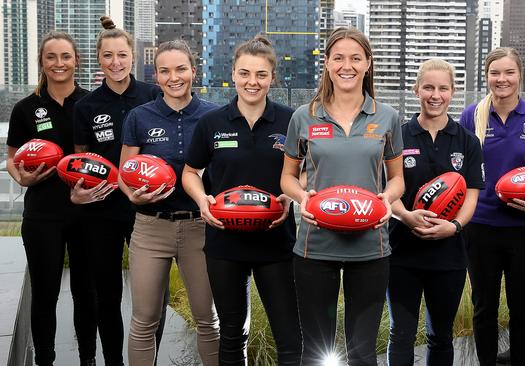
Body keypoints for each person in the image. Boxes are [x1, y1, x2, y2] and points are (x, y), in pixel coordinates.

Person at [280, 26, 404, 366]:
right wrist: (304, 198)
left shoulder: (387, 117)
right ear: (327, 64)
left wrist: (385, 201)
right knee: (315, 351)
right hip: (315, 245)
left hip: (371, 245)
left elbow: (397, 181)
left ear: (367, 64)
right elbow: (287, 178)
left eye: (355, 58)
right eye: (338, 58)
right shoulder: (304, 116)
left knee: (363, 353)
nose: (346, 65)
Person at [182, 35, 302, 365]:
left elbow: (308, 171)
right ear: (233, 74)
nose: (253, 82)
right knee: (232, 335)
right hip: (225, 242)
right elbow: (190, 171)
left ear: (272, 78)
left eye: (261, 74)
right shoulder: (211, 123)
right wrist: (202, 200)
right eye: (245, 73)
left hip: (276, 242)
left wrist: (290, 197)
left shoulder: (291, 121)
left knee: (290, 337)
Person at [458, 47, 525, 366]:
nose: (501, 79)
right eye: (495, 73)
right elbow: (459, 173)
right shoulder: (471, 115)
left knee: (523, 308)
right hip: (480, 227)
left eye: (509, 72)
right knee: (484, 307)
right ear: (486, 76)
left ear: (520, 75)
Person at [118, 39, 219, 366]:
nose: (173, 77)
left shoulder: (213, 116)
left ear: (193, 70)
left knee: (208, 320)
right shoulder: (139, 117)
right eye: (164, 71)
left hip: (200, 228)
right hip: (149, 228)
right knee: (144, 321)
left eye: (180, 69)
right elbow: (123, 173)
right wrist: (131, 194)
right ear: (156, 75)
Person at [71, 16, 165, 366]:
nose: (116, 62)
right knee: (106, 295)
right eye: (108, 56)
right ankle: (112, 360)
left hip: (148, 208)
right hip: (102, 212)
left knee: (153, 298)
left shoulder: (153, 95)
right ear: (99, 59)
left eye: (122, 55)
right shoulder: (87, 106)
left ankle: (148, 361)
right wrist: (79, 191)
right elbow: (80, 162)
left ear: (132, 57)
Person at [386, 58, 484, 366]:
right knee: (400, 334)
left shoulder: (467, 141)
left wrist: (453, 226)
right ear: (416, 90)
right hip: (402, 253)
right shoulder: (398, 137)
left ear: (453, 91)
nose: (435, 95)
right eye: (428, 87)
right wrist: (405, 216)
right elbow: (388, 191)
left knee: (440, 335)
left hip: (449, 256)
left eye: (443, 88)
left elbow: (471, 194)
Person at [6, 31, 94, 366]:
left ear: (77, 61)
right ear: (42, 62)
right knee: (45, 293)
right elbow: (13, 158)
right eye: (51, 57)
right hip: (43, 214)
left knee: (87, 294)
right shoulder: (26, 108)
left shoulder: (90, 104)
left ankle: (88, 359)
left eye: (65, 56)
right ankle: (45, 359)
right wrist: (22, 177)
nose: (59, 63)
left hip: (87, 213)